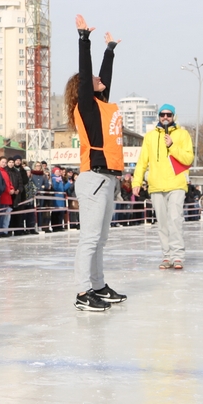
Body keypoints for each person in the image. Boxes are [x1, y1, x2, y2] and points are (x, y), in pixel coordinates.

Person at [64, 15, 127, 311]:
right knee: (89, 239)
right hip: (93, 178)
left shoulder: (102, 106)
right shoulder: (86, 106)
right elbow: (87, 72)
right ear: (85, 89)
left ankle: (98, 285)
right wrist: (84, 40)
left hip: (108, 178)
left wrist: (110, 50)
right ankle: (82, 292)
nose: (102, 81)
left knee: (100, 239)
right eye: (95, 80)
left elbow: (104, 77)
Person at [133, 103, 194, 270]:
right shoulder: (150, 137)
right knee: (162, 223)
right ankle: (167, 256)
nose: (165, 117)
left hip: (176, 183)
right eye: (162, 115)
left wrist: (172, 146)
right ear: (158, 116)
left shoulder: (182, 134)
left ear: (174, 116)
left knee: (175, 220)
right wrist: (136, 182)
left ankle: (177, 256)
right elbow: (142, 161)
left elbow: (188, 159)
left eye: (168, 115)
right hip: (156, 185)